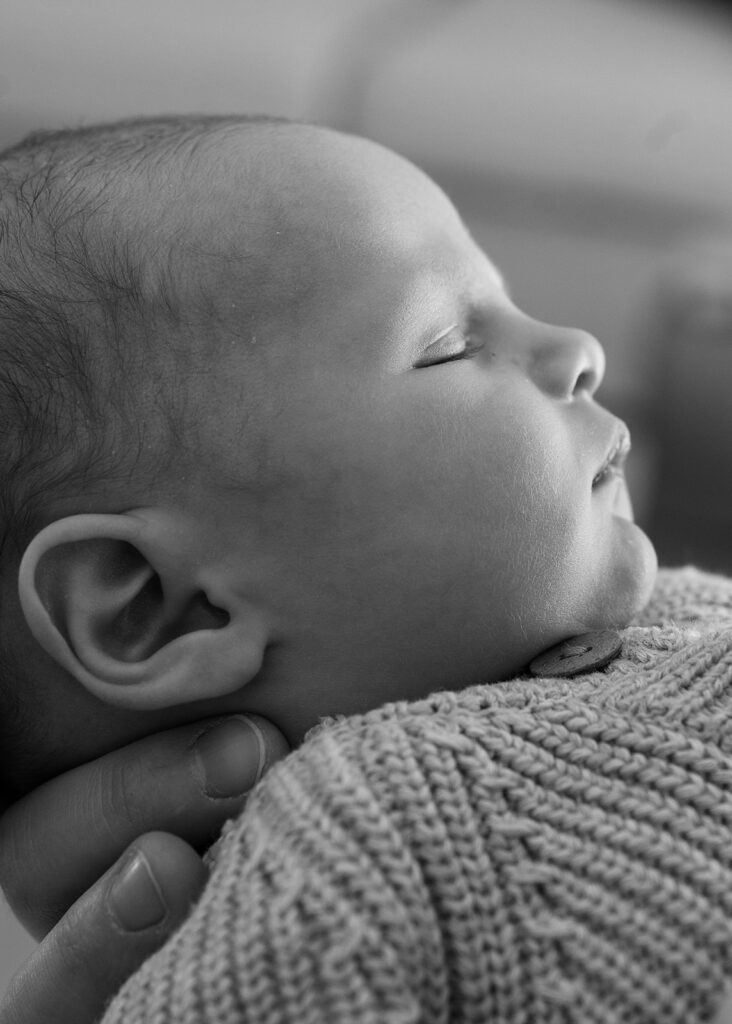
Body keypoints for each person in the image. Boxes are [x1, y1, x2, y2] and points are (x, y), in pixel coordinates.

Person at [0, 114, 729, 1021]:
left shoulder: (676, 613)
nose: (578, 348)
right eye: (449, 346)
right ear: (159, 606)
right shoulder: (316, 886)